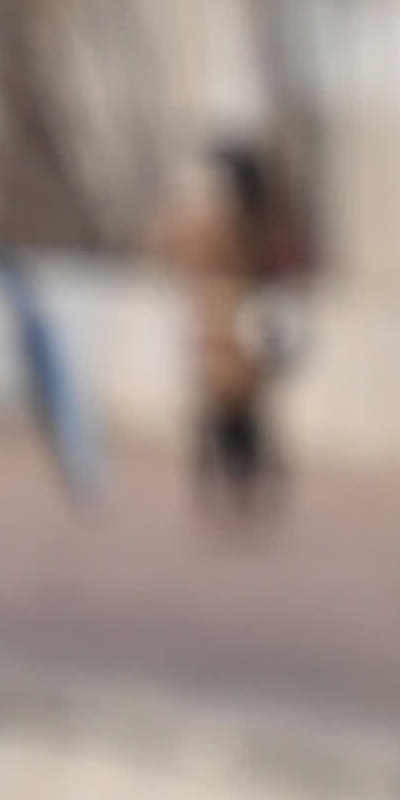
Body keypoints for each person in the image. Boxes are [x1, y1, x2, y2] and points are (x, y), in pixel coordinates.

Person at [161, 135, 308, 527]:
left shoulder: (239, 224)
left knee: (232, 412)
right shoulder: (243, 222)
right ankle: (235, 483)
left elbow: (173, 246)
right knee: (231, 412)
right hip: (234, 326)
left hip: (236, 326)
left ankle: (234, 482)